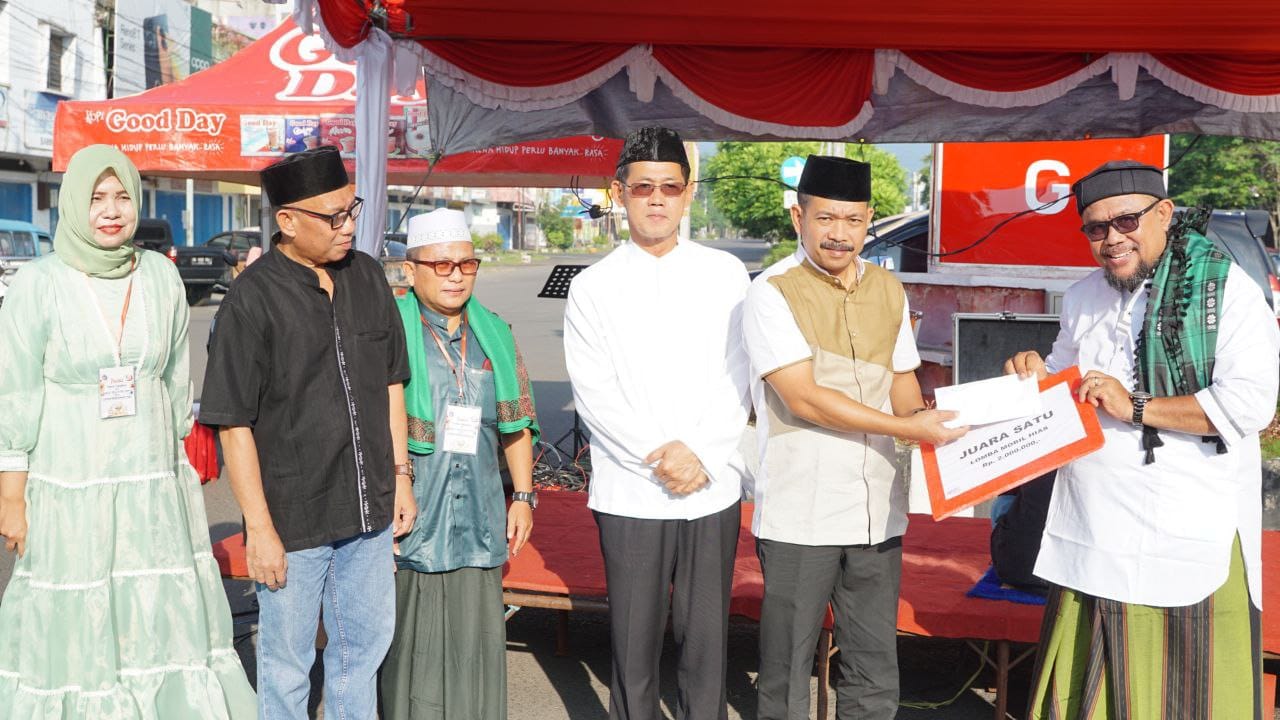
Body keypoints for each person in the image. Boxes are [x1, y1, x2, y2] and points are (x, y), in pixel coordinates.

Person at [1006, 160, 1280, 719]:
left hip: (1186, 530)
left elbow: (1248, 406)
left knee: (1186, 695)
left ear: (1164, 214)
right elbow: (1064, 376)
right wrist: (1036, 373)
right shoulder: (1084, 295)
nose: (1112, 239)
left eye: (1126, 221)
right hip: (1092, 525)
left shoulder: (1225, 290)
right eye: (1096, 228)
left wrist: (1135, 406)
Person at [0, 145, 255, 717]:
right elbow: (13, 392)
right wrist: (11, 494)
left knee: (151, 613)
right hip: (69, 483)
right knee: (80, 613)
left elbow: (171, 379)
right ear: (73, 203)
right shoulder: (37, 285)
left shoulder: (162, 277)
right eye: (96, 198)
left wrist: (173, 473)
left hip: (147, 482)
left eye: (122, 197)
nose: (111, 211)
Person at [741, 154, 966, 720]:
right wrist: (907, 427)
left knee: (873, 667)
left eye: (853, 220)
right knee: (785, 671)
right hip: (801, 512)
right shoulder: (772, 292)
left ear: (869, 221)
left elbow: (904, 388)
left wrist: (968, 424)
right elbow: (805, 397)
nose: (839, 234)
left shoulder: (889, 289)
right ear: (799, 218)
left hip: (877, 512)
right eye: (825, 219)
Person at [199, 145, 416, 720]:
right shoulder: (252, 300)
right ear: (287, 221)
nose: (349, 227)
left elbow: (392, 383)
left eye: (353, 210)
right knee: (286, 664)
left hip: (369, 510)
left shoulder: (368, 275)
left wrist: (401, 478)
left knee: (361, 653)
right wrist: (260, 529)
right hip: (293, 517)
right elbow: (232, 423)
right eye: (334, 217)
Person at [563, 126, 752, 720]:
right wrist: (661, 453)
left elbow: (740, 375)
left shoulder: (725, 274)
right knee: (634, 647)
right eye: (642, 186)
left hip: (710, 484)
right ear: (618, 193)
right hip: (632, 490)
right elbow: (593, 393)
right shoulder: (592, 287)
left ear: (688, 193)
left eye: (669, 187)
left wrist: (699, 453)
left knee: (706, 644)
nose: (656, 199)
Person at [380, 208, 539, 720]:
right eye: (441, 265)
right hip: (415, 511)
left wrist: (524, 495)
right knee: (414, 639)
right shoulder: (389, 331)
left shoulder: (495, 333)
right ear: (410, 270)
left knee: (476, 638)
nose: (454, 275)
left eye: (465, 265)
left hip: (480, 514)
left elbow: (515, 425)